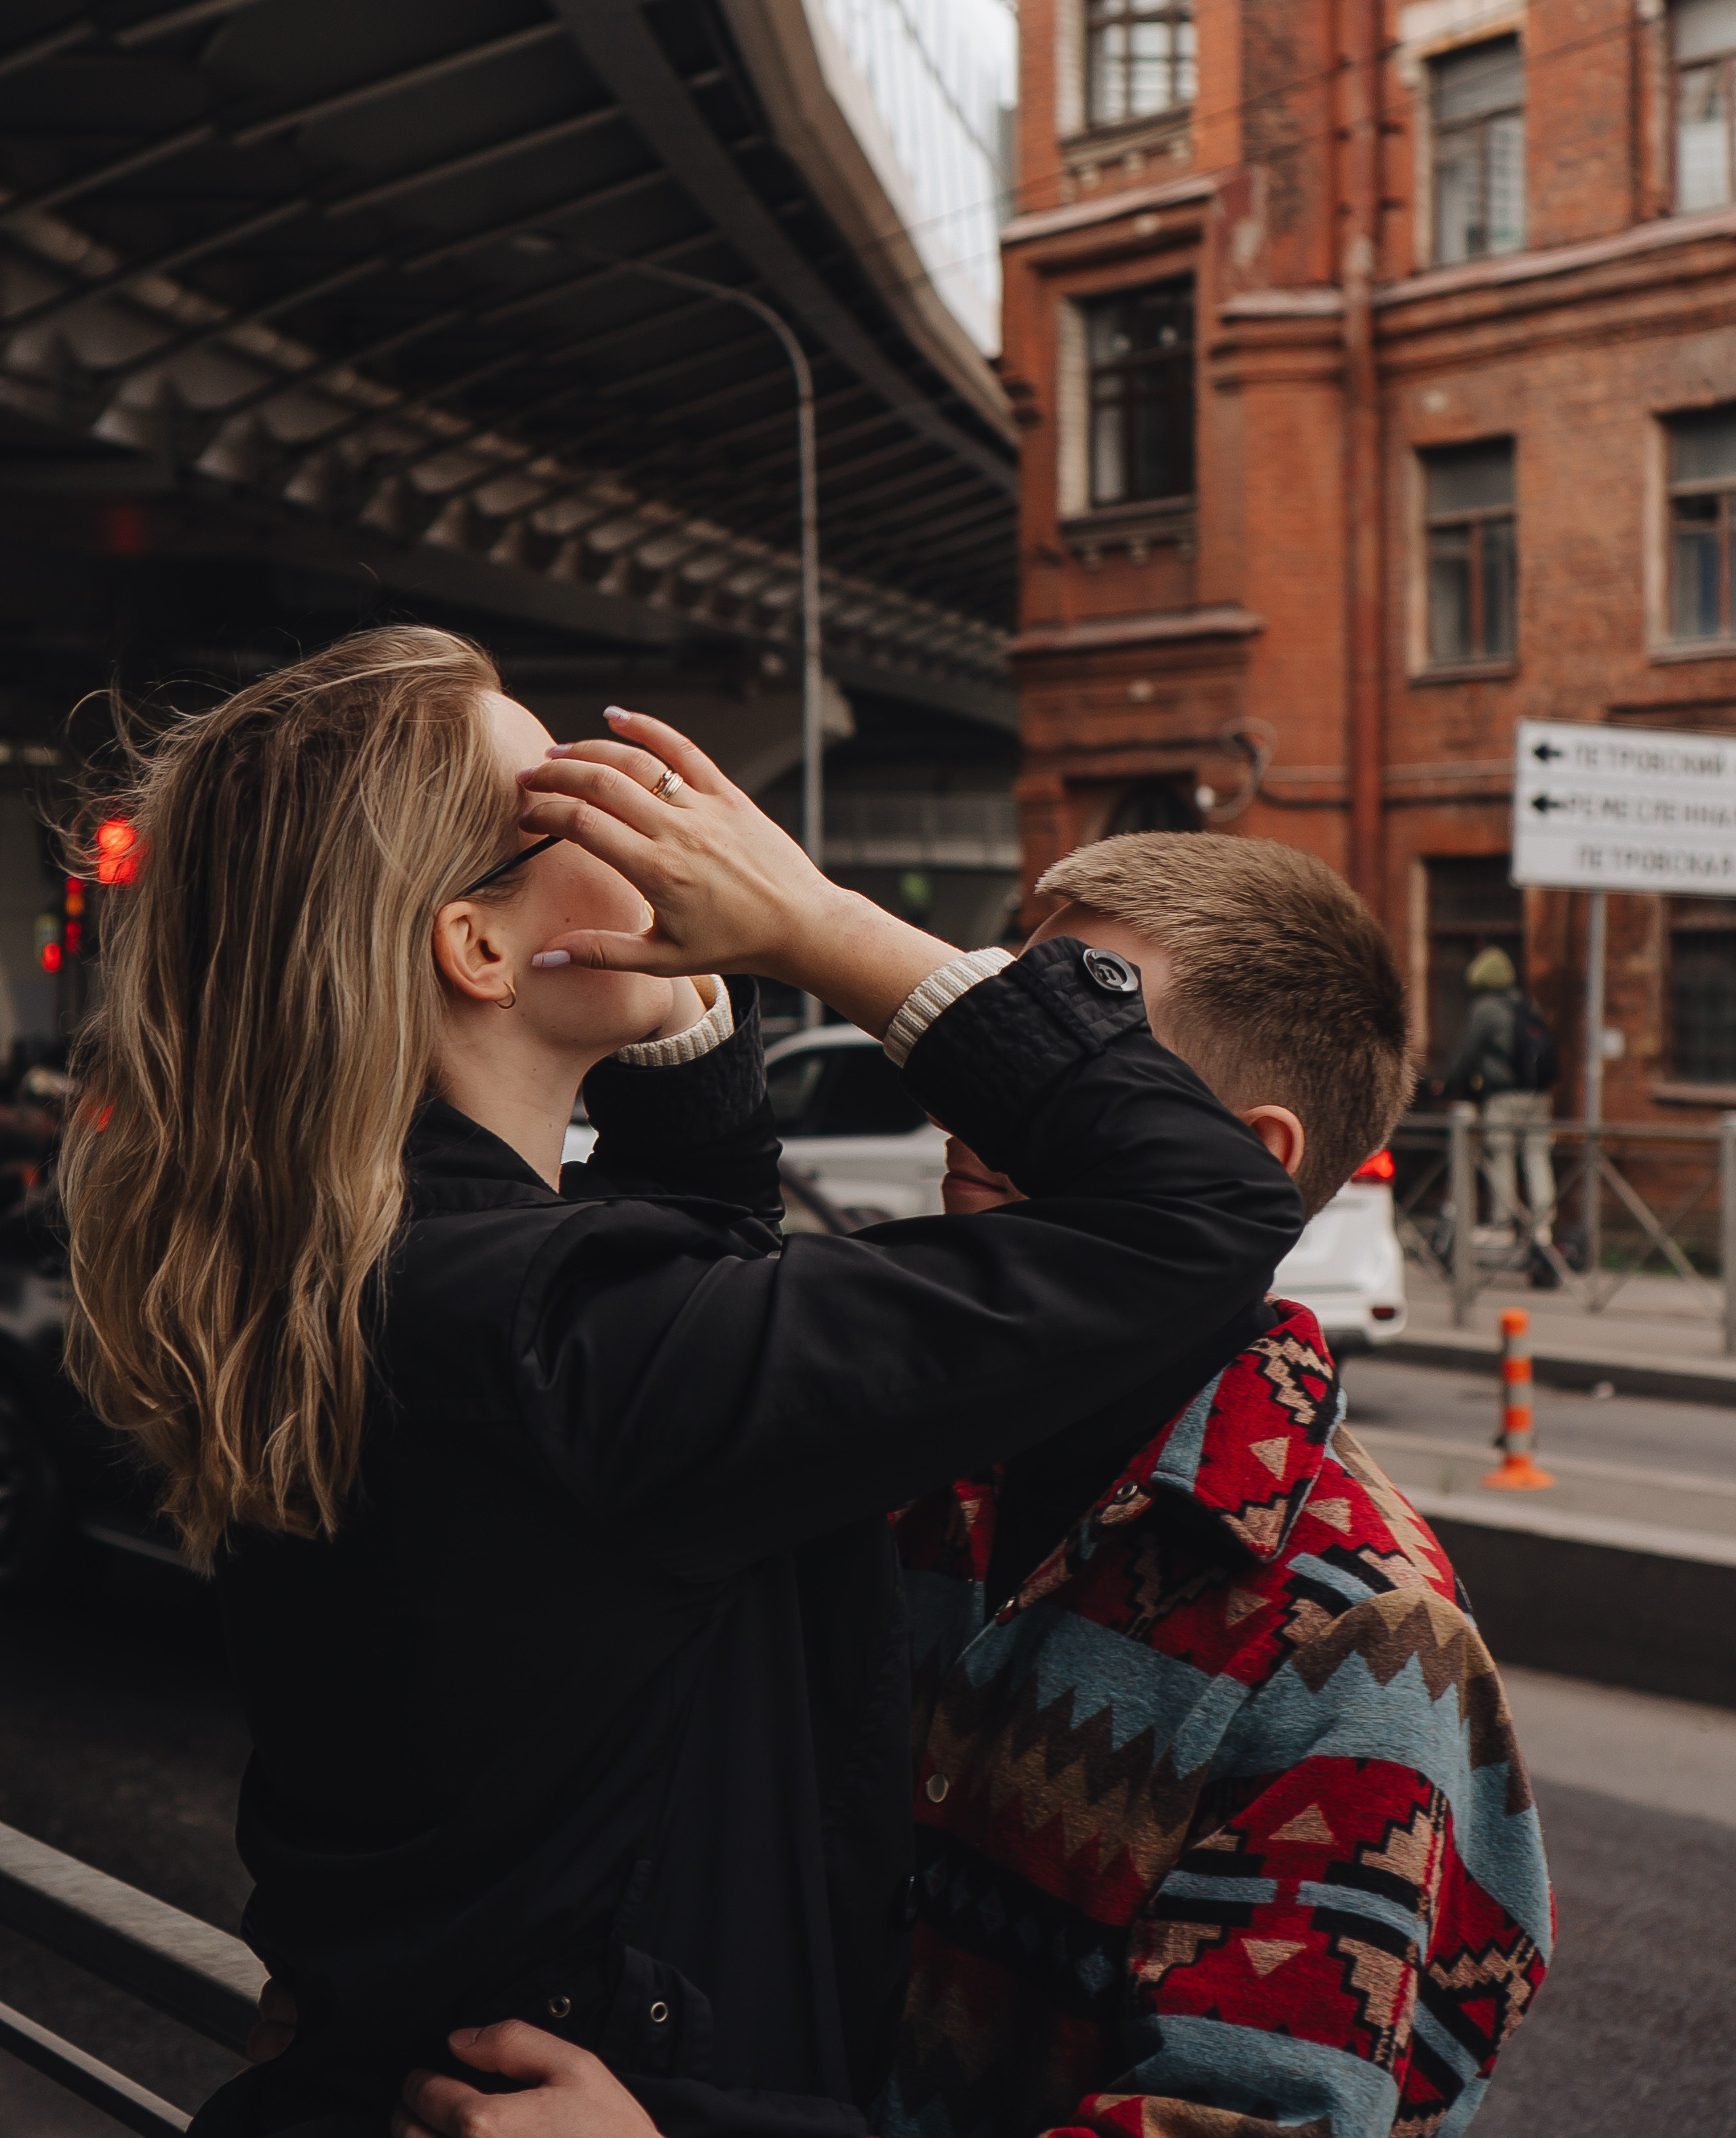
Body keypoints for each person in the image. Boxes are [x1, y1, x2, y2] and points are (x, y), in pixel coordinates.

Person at [61, 627, 1303, 2138]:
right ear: (475, 947)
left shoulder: (397, 1275)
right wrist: (823, 926)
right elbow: (1206, 1208)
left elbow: (710, 1322)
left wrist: (687, 1009)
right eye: (574, 801)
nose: (649, 806)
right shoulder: (561, 1339)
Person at [382, 834, 1551, 2138]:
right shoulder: (914, 1460)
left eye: (1066, 1065)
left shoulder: (1364, 1644)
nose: (970, 1104)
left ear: (1240, 1161)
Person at [1441, 946, 1559, 1264]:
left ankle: (1503, 1224)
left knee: (1500, 1156)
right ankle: (1542, 1226)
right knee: (1537, 1156)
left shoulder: (1485, 1009)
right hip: (1538, 1096)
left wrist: (1447, 1083)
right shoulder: (1525, 1003)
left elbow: (1468, 1054)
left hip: (1503, 1096)